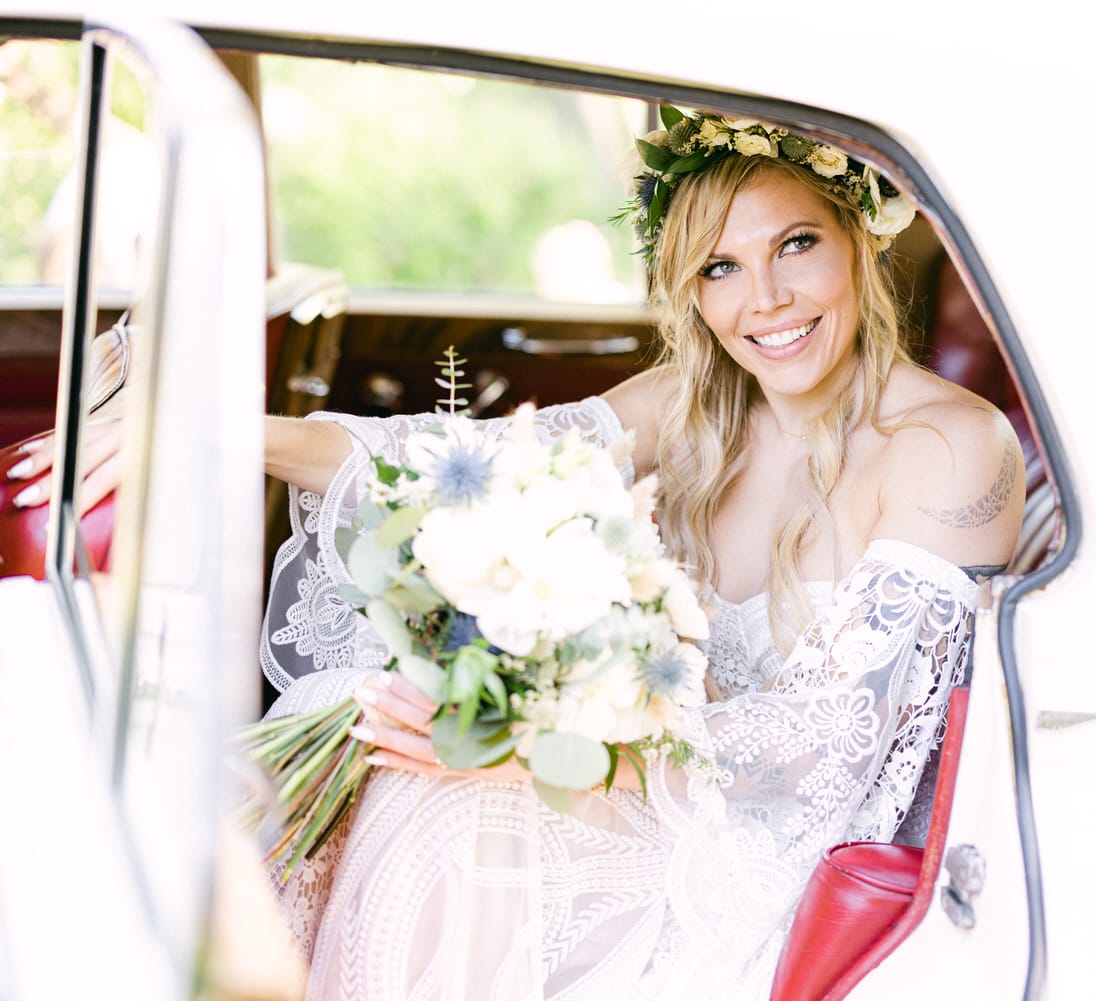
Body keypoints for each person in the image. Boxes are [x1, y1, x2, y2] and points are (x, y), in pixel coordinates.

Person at [17, 113, 1024, 1000]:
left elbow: (824, 743)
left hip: (755, 852)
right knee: (362, 727)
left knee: (441, 792)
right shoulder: (692, 406)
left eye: (796, 244)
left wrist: (550, 744)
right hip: (636, 793)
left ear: (858, 238)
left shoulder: (948, 448)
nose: (765, 297)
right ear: (690, 288)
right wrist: (235, 432)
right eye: (720, 266)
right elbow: (457, 465)